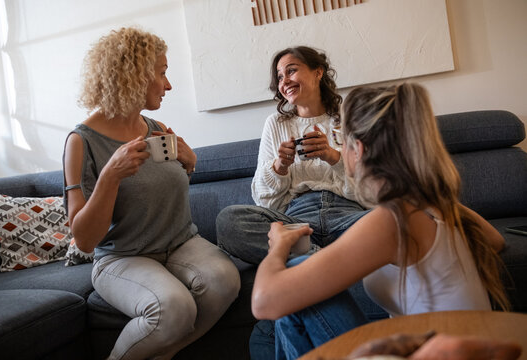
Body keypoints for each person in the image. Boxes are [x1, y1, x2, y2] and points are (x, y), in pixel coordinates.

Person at [251, 83, 510, 360]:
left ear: (358, 149)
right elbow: (496, 240)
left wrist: (278, 247)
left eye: (341, 139)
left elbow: (264, 302)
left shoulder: (393, 220)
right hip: (427, 344)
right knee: (295, 287)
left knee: (291, 279)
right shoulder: (432, 202)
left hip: (441, 351)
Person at [63, 27, 240, 360]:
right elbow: (85, 240)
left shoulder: (156, 130)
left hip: (180, 243)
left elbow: (161, 188)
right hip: (122, 258)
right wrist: (110, 177)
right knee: (174, 307)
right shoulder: (80, 142)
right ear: (133, 76)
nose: (168, 85)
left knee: (225, 281)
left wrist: (190, 163)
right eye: (162, 73)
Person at [215, 46, 369, 358]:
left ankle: (306, 268)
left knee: (398, 218)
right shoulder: (276, 124)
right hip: (297, 222)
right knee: (229, 221)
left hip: (348, 215)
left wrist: (334, 157)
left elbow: (371, 189)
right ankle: (323, 261)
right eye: (280, 76)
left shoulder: (349, 120)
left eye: (292, 69)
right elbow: (262, 198)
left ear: (318, 72)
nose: (285, 79)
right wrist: (279, 167)